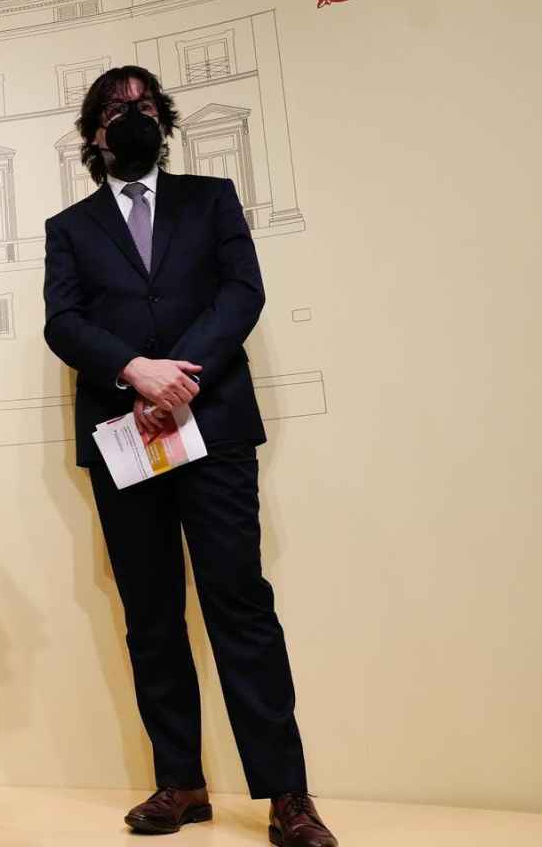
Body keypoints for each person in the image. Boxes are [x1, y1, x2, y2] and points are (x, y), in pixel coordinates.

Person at [41, 67, 338, 847]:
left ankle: (288, 796)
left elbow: (243, 293)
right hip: (124, 435)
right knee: (151, 613)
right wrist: (134, 371)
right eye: (115, 108)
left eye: (144, 105)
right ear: (93, 133)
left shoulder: (211, 199)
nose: (131, 115)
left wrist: (179, 377)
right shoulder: (67, 227)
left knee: (239, 603)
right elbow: (62, 323)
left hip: (215, 429)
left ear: (163, 120)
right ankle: (181, 782)